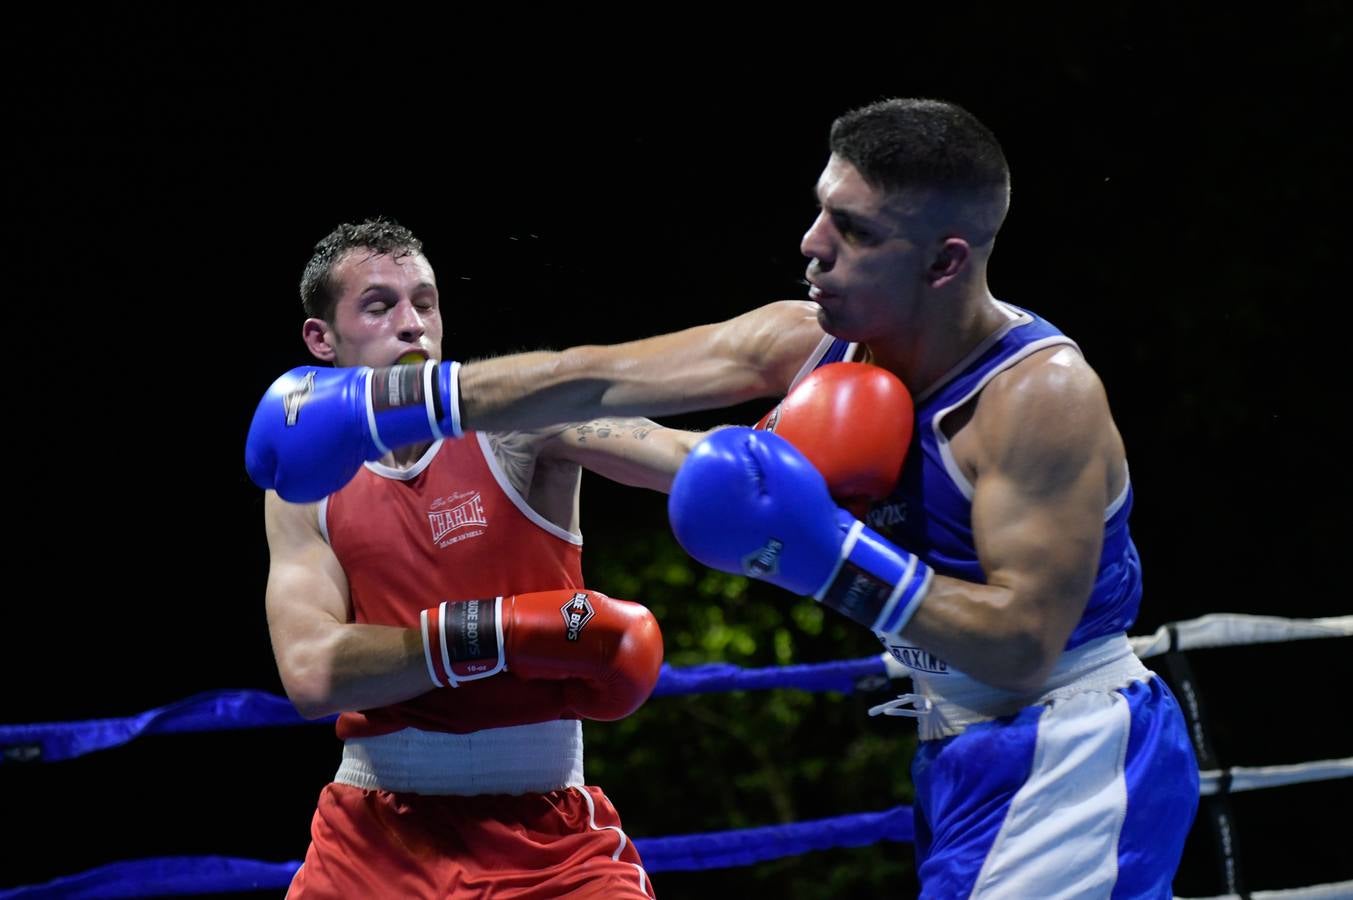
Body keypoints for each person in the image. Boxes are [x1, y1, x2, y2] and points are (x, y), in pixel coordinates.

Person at [250, 99, 1200, 897]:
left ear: (944, 262)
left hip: (1070, 738)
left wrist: (825, 553)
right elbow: (596, 376)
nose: (812, 246)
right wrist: (393, 406)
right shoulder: (807, 341)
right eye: (821, 212)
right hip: (953, 742)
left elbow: (1026, 641)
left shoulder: (1038, 397)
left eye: (854, 231)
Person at [261, 218, 702, 899]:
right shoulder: (305, 484)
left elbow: (682, 459)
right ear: (322, 339)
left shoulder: (515, 420)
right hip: (372, 841)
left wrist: (798, 449)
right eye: (379, 305)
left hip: (549, 838)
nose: (412, 324)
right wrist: (495, 632)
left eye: (425, 302)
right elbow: (312, 674)